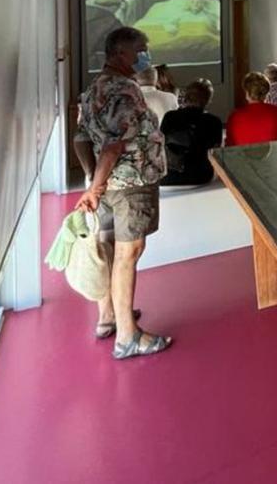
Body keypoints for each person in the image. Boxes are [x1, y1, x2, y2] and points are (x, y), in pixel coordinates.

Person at [73, 26, 173, 360]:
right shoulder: (123, 90)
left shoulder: (93, 89)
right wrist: (96, 185)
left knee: (110, 248)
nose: (146, 55)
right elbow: (114, 145)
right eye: (141, 49)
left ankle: (109, 317)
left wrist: (92, 179)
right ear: (120, 53)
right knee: (128, 254)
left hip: (108, 185)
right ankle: (128, 337)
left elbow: (81, 138)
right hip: (130, 185)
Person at [159, 79, 222, 186]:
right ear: (208, 100)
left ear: (185, 97)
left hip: (168, 177)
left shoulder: (170, 117)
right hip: (200, 176)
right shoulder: (214, 122)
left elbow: (160, 144)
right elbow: (216, 151)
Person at [225, 72, 277, 146]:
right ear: (266, 94)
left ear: (247, 93)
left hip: (243, 157)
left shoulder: (234, 116)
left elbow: (229, 146)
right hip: (274, 156)